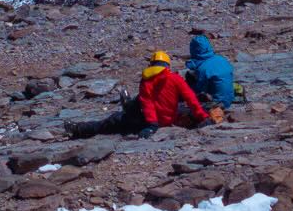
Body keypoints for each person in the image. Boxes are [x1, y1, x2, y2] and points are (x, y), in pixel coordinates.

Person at [67, 50, 219, 138]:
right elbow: (191, 99)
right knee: (140, 103)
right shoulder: (175, 78)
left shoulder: (146, 81)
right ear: (167, 65)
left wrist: (152, 125)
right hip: (169, 117)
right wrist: (203, 117)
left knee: (112, 121)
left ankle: (79, 129)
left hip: (150, 121)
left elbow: (147, 104)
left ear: (152, 64)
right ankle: (129, 105)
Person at [184, 34, 235, 111]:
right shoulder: (221, 59)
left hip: (218, 103)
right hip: (230, 99)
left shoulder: (203, 68)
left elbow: (198, 89)